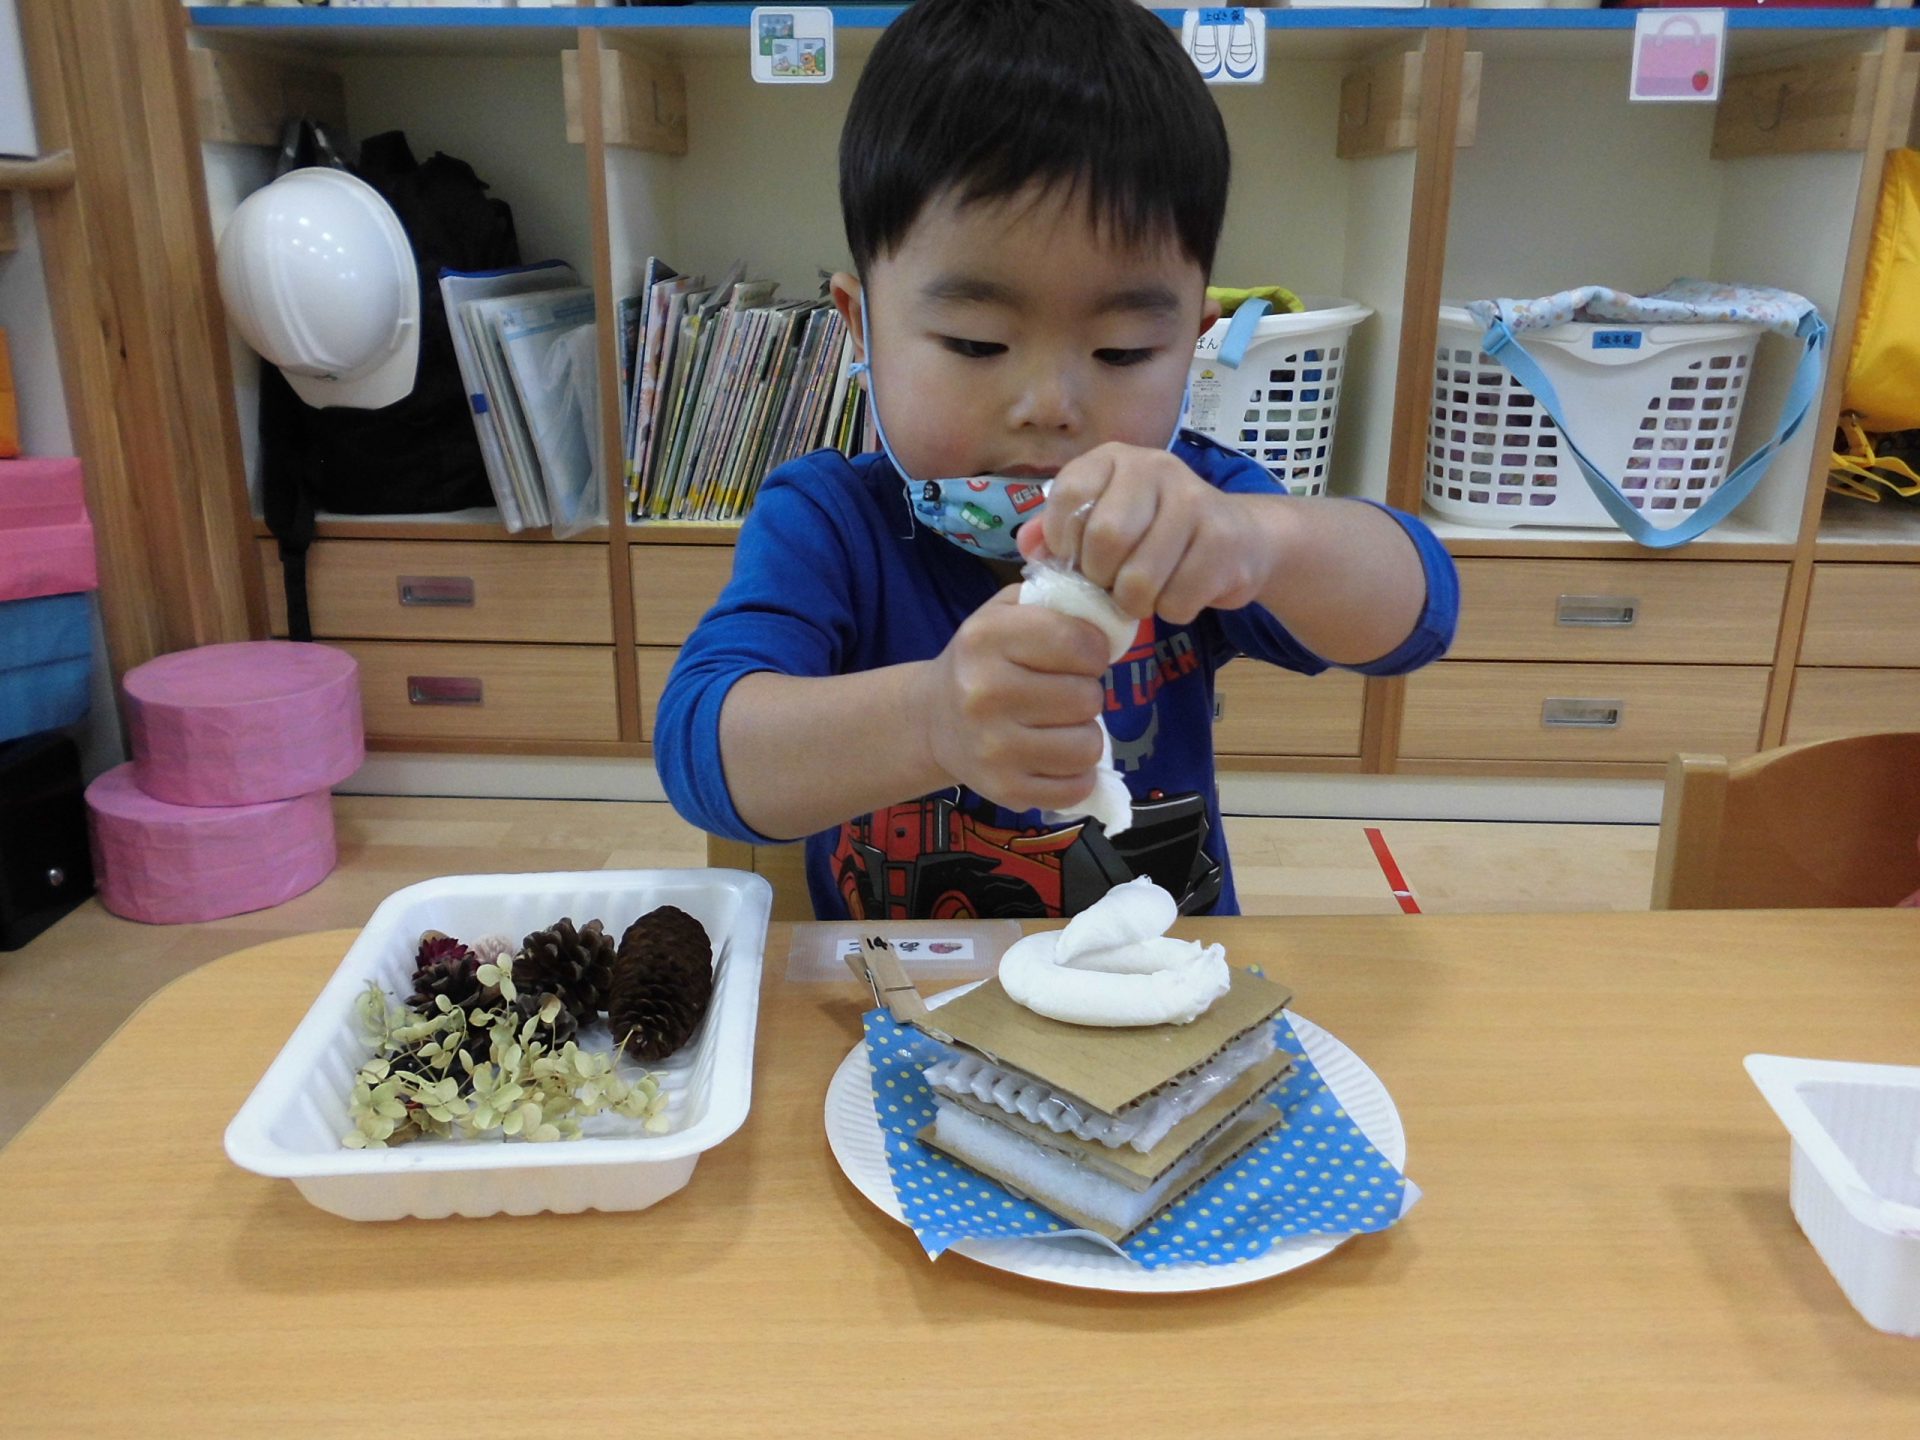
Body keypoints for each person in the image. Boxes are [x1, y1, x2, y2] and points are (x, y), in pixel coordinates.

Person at [656, 0, 1459, 921]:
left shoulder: (1192, 508)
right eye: (976, 342)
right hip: (904, 997)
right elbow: (701, 752)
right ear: (861, 329)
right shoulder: (829, 522)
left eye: (1123, 352)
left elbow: (1420, 610)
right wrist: (929, 720)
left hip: (1158, 989)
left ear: (1191, 345)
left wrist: (1262, 541)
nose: (1051, 406)